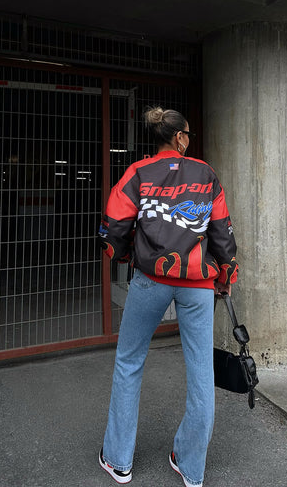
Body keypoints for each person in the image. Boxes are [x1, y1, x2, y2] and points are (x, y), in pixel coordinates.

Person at [98, 106, 238, 487]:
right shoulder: (205, 173)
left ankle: (118, 461)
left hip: (149, 280)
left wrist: (129, 256)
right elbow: (223, 234)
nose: (189, 139)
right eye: (188, 134)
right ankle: (191, 469)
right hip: (198, 285)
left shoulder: (137, 173)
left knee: (129, 362)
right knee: (201, 373)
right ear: (178, 138)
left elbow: (112, 228)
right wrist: (226, 276)